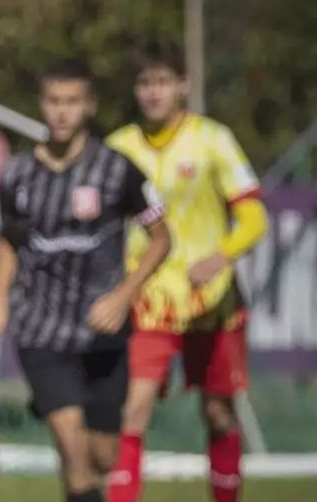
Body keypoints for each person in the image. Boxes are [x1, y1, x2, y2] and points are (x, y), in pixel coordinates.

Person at [0, 59, 171, 502]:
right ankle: (54, 402)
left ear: (89, 106)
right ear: (43, 105)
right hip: (41, 332)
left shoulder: (118, 171)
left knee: (103, 456)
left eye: (72, 102)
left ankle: (60, 410)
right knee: (73, 452)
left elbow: (162, 239)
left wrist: (125, 296)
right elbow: (8, 241)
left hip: (102, 334)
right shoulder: (16, 175)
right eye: (53, 102)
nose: (61, 112)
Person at [105, 44, 268, 502]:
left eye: (162, 82)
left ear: (183, 85)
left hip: (212, 303)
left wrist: (222, 256)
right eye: (144, 83)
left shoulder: (213, 139)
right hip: (148, 300)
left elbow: (255, 217)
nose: (153, 93)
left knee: (218, 413)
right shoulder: (119, 147)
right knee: (133, 408)